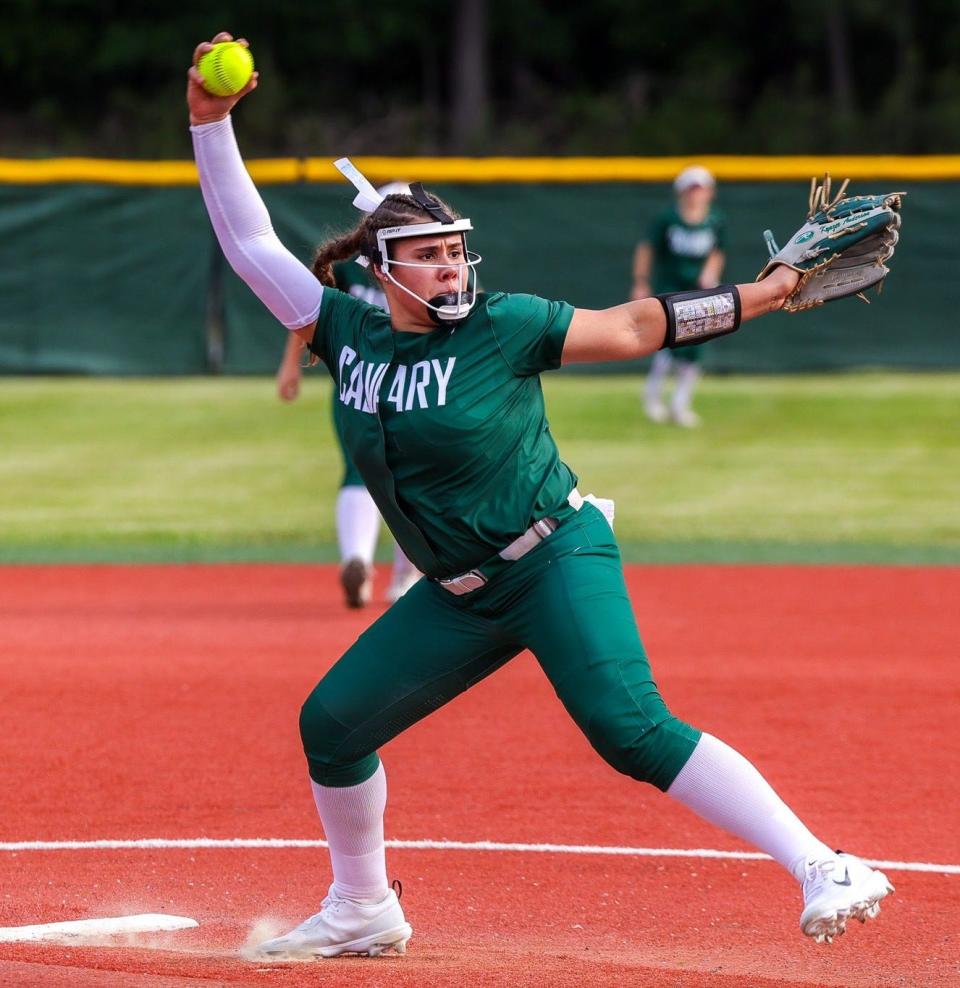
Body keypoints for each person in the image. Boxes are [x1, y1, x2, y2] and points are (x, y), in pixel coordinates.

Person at [187, 33, 893, 959]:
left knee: (629, 730)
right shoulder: (342, 328)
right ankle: (362, 909)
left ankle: (823, 865)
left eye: (455, 251)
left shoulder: (503, 326)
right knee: (333, 725)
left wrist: (764, 295)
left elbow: (640, 323)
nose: (451, 268)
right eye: (431, 256)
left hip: (554, 554)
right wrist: (209, 121)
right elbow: (247, 237)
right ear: (382, 269)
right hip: (459, 595)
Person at [276, 228, 422, 609]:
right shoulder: (429, 262)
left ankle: (357, 555)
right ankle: (406, 578)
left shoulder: (349, 265)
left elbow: (307, 311)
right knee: (418, 474)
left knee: (358, 470)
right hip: (415, 384)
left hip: (354, 381)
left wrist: (291, 365)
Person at [632, 165, 726, 428]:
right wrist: (641, 281)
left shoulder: (715, 220)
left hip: (700, 293)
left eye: (701, 189)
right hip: (671, 289)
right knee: (668, 343)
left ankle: (680, 403)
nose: (696, 195)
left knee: (696, 346)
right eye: (691, 189)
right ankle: (653, 397)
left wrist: (710, 273)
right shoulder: (668, 219)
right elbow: (647, 249)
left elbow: (718, 251)